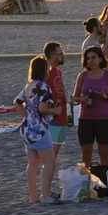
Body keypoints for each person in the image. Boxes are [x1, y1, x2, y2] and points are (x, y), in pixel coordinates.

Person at [14, 55, 59, 203]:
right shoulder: (43, 87)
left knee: (32, 162)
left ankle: (34, 195)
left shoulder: (29, 86)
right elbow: (43, 108)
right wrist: (55, 111)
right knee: (49, 162)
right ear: (44, 70)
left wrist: (26, 116)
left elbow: (17, 102)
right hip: (39, 130)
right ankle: (45, 195)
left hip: (27, 129)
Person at [72, 47, 108, 170]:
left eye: (93, 58)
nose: (90, 61)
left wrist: (106, 96)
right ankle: (86, 178)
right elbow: (75, 97)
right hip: (86, 119)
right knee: (86, 153)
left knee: (104, 152)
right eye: (88, 58)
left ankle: (104, 178)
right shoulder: (82, 76)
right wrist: (83, 99)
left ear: (100, 59)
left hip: (104, 118)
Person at [41, 42, 70, 188]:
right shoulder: (45, 73)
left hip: (61, 119)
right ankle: (45, 190)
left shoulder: (57, 71)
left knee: (53, 157)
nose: (62, 55)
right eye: (60, 53)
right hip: (52, 120)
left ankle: (46, 188)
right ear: (52, 56)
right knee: (50, 159)